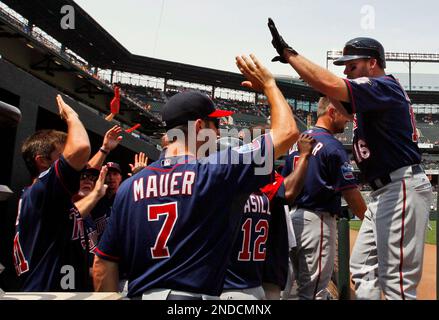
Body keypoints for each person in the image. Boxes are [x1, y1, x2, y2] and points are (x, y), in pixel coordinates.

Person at [92, 54, 300, 299]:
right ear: (199, 127)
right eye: (216, 125)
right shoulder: (216, 170)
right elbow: (287, 132)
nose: (219, 133)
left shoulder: (128, 187)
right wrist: (269, 85)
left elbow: (102, 266)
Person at [267, 19, 433, 300]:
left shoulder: (384, 86)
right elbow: (329, 90)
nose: (346, 71)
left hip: (401, 185)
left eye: (352, 65)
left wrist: (290, 55)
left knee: (397, 281)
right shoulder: (371, 96)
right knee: (363, 267)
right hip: (384, 191)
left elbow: (329, 83)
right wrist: (270, 85)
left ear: (372, 63)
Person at [282, 97, 366, 300]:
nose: (347, 120)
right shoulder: (332, 146)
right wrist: (369, 220)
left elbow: (284, 184)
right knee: (314, 292)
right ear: (331, 112)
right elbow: (350, 192)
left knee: (293, 288)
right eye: (345, 115)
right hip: (316, 222)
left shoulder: (297, 143)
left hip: (292, 222)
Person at [221, 133, 315, 300]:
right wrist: (304, 156)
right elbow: (289, 192)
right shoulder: (256, 181)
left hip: (251, 272)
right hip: (258, 272)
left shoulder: (218, 189)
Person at [13, 95, 91, 291]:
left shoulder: (42, 195)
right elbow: (81, 148)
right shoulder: (43, 189)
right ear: (42, 161)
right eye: (61, 156)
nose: (67, 161)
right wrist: (72, 116)